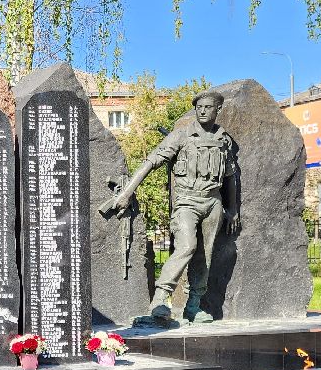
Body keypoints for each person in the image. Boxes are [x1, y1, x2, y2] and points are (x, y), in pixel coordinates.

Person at [101, 90, 240, 325]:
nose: (202, 111)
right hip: (187, 201)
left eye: (207, 107)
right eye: (199, 107)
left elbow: (230, 177)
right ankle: (159, 300)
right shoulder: (181, 135)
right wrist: (127, 192)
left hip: (213, 202)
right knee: (186, 246)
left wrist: (233, 208)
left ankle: (194, 305)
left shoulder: (223, 140)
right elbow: (152, 161)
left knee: (205, 255)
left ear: (218, 110)